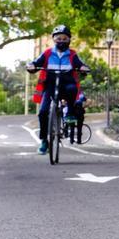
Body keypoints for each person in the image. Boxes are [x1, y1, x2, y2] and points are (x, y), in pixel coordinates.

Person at [28, 24, 90, 153]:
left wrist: (83, 68)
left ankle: (70, 114)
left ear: (68, 40)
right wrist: (31, 65)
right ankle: (44, 140)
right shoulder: (47, 53)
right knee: (43, 112)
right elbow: (36, 63)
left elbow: (79, 64)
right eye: (58, 38)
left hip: (66, 83)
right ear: (54, 39)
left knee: (73, 89)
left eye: (64, 38)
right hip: (50, 85)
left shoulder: (72, 54)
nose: (61, 41)